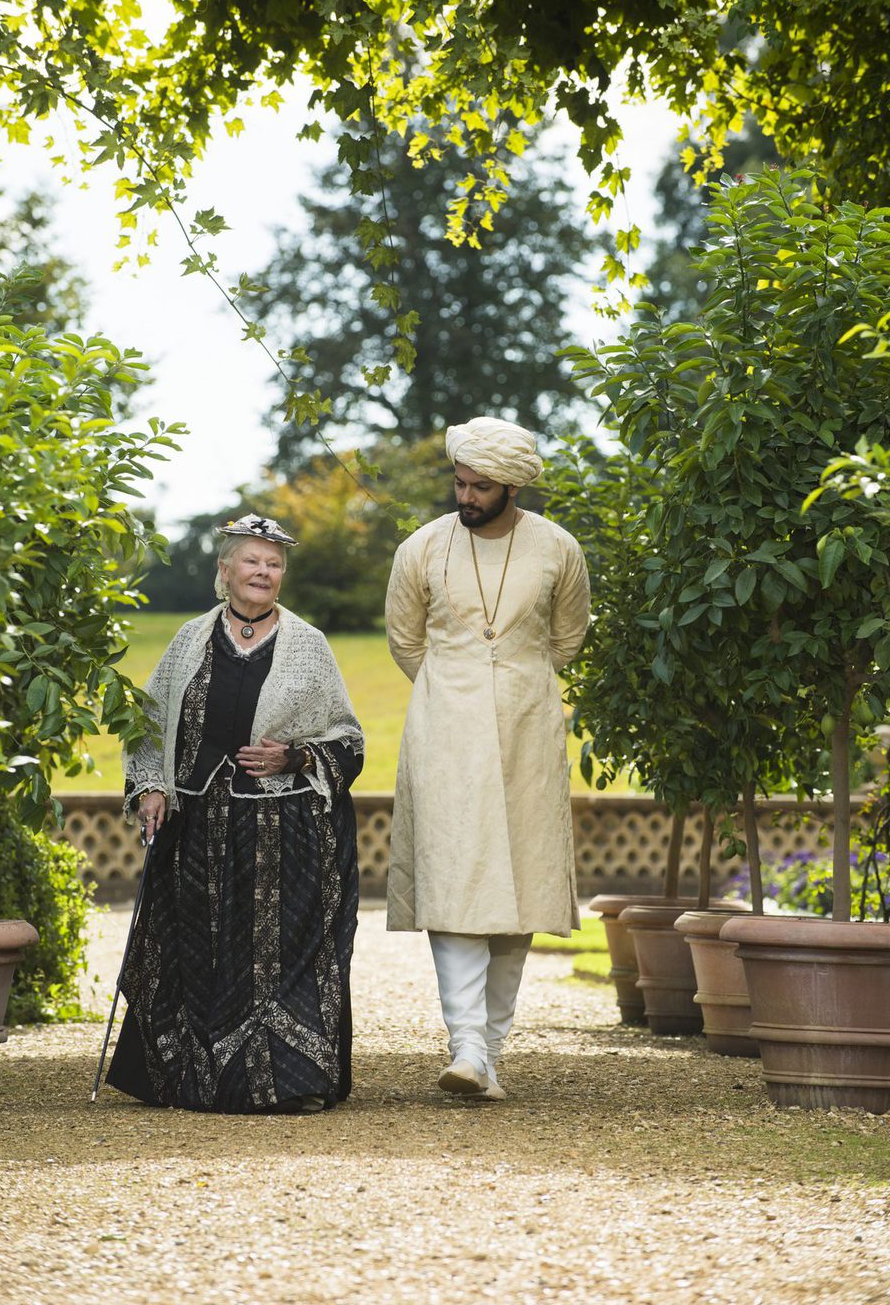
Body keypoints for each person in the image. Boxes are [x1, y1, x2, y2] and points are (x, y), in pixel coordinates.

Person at [106, 512, 364, 1114]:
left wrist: (295, 756)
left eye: (273, 565)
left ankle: (288, 1082)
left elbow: (349, 741)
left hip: (284, 835)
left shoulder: (308, 646)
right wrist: (151, 786)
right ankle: (187, 1082)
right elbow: (147, 723)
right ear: (224, 571)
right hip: (196, 830)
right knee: (195, 953)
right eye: (251, 561)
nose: (263, 572)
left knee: (276, 960)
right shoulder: (189, 640)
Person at [385, 417, 590, 1101]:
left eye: (480, 486)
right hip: (444, 730)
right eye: (460, 482)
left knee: (521, 887)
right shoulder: (420, 547)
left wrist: (512, 684)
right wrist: (462, 689)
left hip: (530, 730)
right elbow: (404, 641)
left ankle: (489, 1050)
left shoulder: (558, 548)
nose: (465, 495)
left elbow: (566, 638)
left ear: (512, 485)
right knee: (454, 879)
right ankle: (466, 1045)